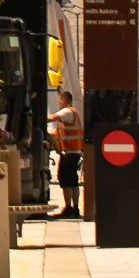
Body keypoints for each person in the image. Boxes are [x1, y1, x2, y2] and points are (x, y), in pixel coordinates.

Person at [48, 87, 84, 218]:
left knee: (65, 179)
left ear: (64, 100)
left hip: (69, 153)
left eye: (60, 100)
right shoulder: (73, 112)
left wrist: (39, 117)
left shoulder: (67, 111)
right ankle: (75, 208)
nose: (59, 102)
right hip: (74, 152)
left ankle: (69, 208)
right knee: (73, 180)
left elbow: (52, 117)